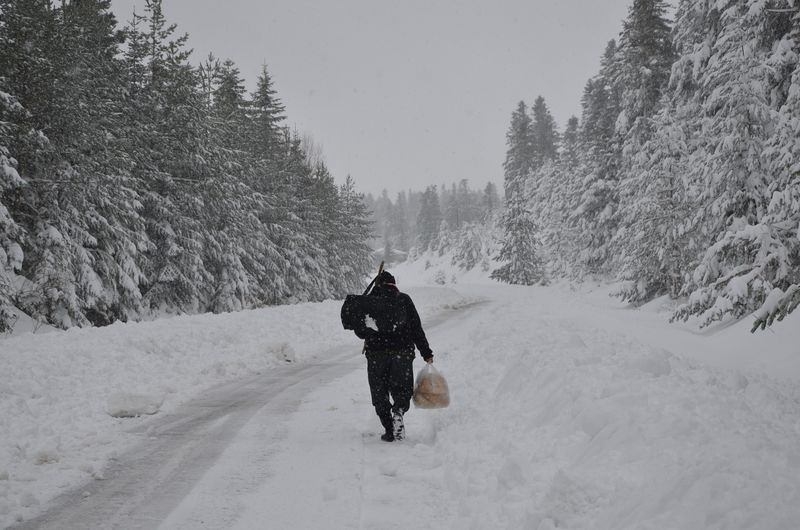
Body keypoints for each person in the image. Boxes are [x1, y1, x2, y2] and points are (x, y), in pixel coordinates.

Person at [353, 270, 433, 442]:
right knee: (402, 389)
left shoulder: (369, 303)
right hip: (402, 353)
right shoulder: (403, 299)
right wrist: (426, 352)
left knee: (379, 391)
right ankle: (398, 411)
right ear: (393, 284)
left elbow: (360, 332)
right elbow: (416, 328)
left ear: (377, 285)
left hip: (376, 355)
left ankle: (389, 428)